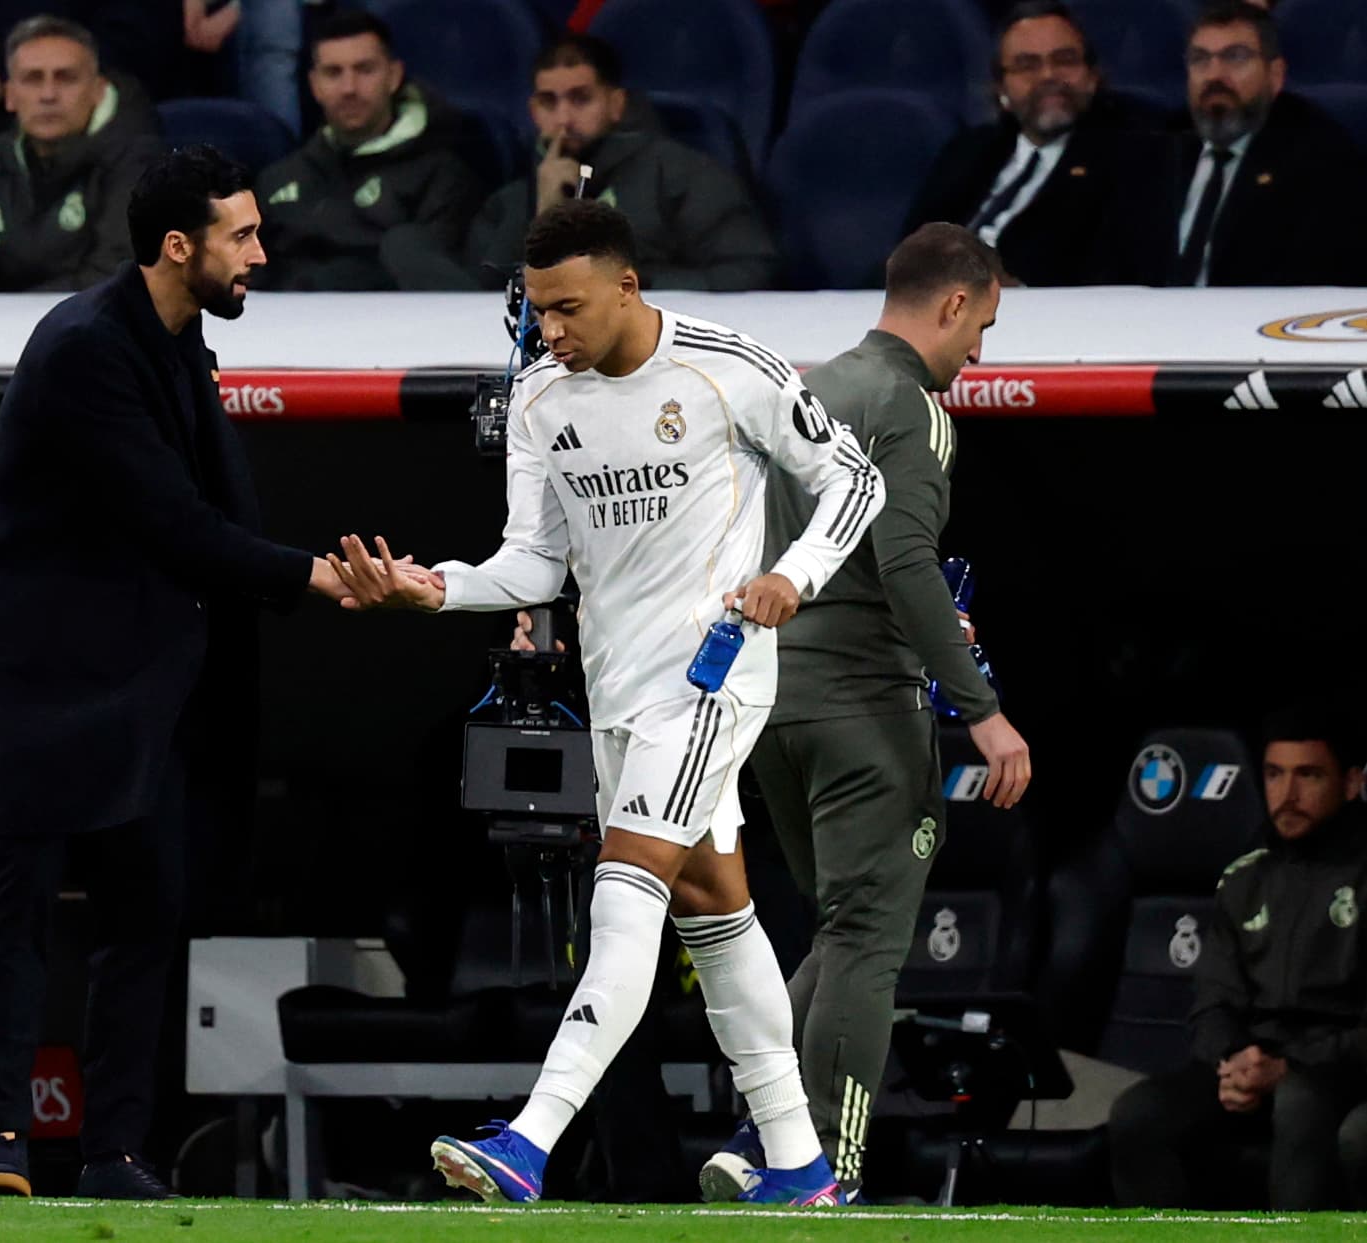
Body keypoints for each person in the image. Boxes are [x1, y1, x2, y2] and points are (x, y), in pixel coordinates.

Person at [329, 199, 886, 1205]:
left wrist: (791, 576)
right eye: (539, 312)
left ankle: (529, 1138)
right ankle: (801, 1163)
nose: (550, 333)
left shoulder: (730, 368)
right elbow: (534, 564)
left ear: (627, 287)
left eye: (568, 309)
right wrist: (435, 587)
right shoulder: (544, 399)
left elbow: (852, 481)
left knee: (622, 895)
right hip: (618, 695)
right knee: (716, 911)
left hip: (712, 680)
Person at [0, 144, 351, 1200]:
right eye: (242, 235)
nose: (260, 254)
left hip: (141, 677)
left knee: (144, 915)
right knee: (22, 907)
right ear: (178, 247)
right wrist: (316, 576)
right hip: (40, 679)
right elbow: (175, 526)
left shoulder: (181, 343)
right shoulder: (86, 347)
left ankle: (113, 1151)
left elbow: (208, 520)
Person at [698, 223, 1033, 1204]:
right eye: (984, 325)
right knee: (864, 943)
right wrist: (981, 710)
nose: (980, 353)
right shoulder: (911, 406)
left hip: (768, 707)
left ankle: (754, 1139)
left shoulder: (806, 393)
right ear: (953, 302)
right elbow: (901, 565)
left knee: (835, 934)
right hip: (860, 712)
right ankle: (821, 1173)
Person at [1109, 705, 1367, 1210]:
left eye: (1308, 775)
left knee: (1300, 1102)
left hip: (1338, 1069)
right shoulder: (1245, 879)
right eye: (1274, 775)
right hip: (1256, 1061)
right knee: (1138, 1116)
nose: (1287, 795)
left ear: (1352, 782)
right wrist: (1234, 1059)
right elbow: (1211, 1001)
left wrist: (1290, 1066)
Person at [462, 34, 779, 292]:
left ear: (616, 104)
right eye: (549, 102)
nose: (564, 118)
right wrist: (544, 216)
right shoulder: (513, 198)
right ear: (533, 111)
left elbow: (751, 269)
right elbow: (478, 293)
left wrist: (635, 285)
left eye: (581, 98)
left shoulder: (680, 174)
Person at [1095, 1, 1367, 287]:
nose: (1214, 75)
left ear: (1275, 75)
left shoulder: (1320, 159)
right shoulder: (1158, 150)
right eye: (1200, 59)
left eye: (1235, 57)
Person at [904, 1, 1156, 288]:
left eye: (1064, 60)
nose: (1048, 76)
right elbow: (911, 246)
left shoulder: (1127, 158)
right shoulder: (967, 151)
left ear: (1092, 77)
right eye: (1027, 65)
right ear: (1001, 88)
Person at [0, 16, 161, 292]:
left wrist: (11, 319)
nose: (48, 94)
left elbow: (116, 276)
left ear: (97, 91)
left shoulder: (139, 166)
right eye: (33, 79)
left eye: (66, 78)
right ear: (10, 96)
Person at [251, 11, 481, 291]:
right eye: (333, 73)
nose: (349, 88)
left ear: (394, 76)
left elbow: (434, 283)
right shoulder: (277, 178)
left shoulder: (443, 173)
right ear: (314, 85)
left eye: (364, 69)